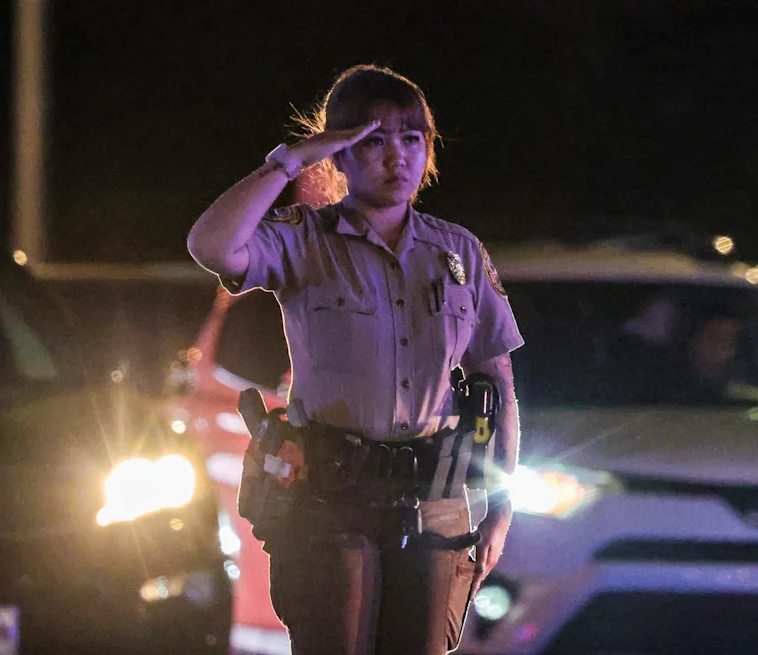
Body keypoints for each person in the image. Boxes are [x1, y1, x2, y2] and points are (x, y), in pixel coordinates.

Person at [187, 64, 523, 655]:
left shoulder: (459, 252)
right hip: (329, 497)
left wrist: (500, 505)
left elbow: (496, 385)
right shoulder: (304, 239)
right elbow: (212, 246)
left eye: (412, 140)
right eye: (372, 142)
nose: (397, 157)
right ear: (339, 157)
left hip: (434, 499)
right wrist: (291, 160)